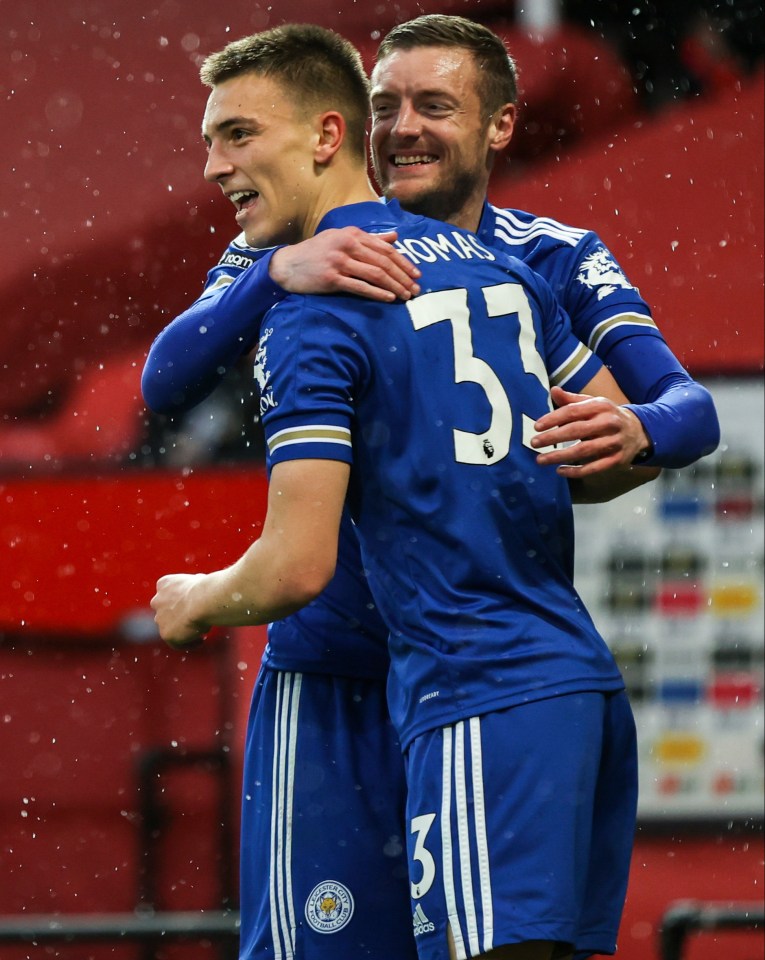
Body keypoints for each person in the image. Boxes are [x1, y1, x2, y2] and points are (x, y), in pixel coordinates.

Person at [142, 15, 720, 960]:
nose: (403, 126)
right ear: (349, 126)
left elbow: (670, 414)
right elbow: (164, 378)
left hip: (458, 667)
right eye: (386, 105)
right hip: (349, 669)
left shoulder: (539, 256)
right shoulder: (289, 254)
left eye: (433, 106)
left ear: (498, 125)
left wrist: (634, 432)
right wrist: (277, 272)